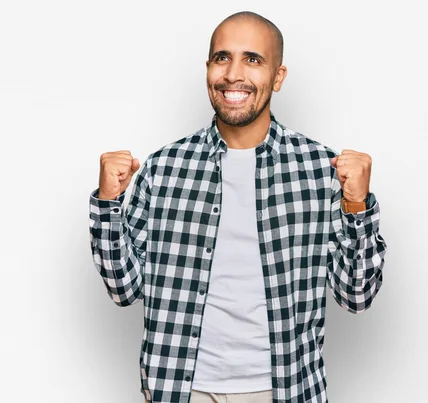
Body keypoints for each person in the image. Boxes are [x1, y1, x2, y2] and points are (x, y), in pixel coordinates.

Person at [89, 10, 387, 403]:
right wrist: (108, 204)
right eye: (222, 57)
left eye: (253, 59)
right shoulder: (164, 169)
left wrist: (356, 205)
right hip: (180, 388)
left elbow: (356, 295)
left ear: (277, 77)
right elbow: (124, 289)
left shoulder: (322, 171)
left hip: (284, 389)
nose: (233, 74)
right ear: (208, 68)